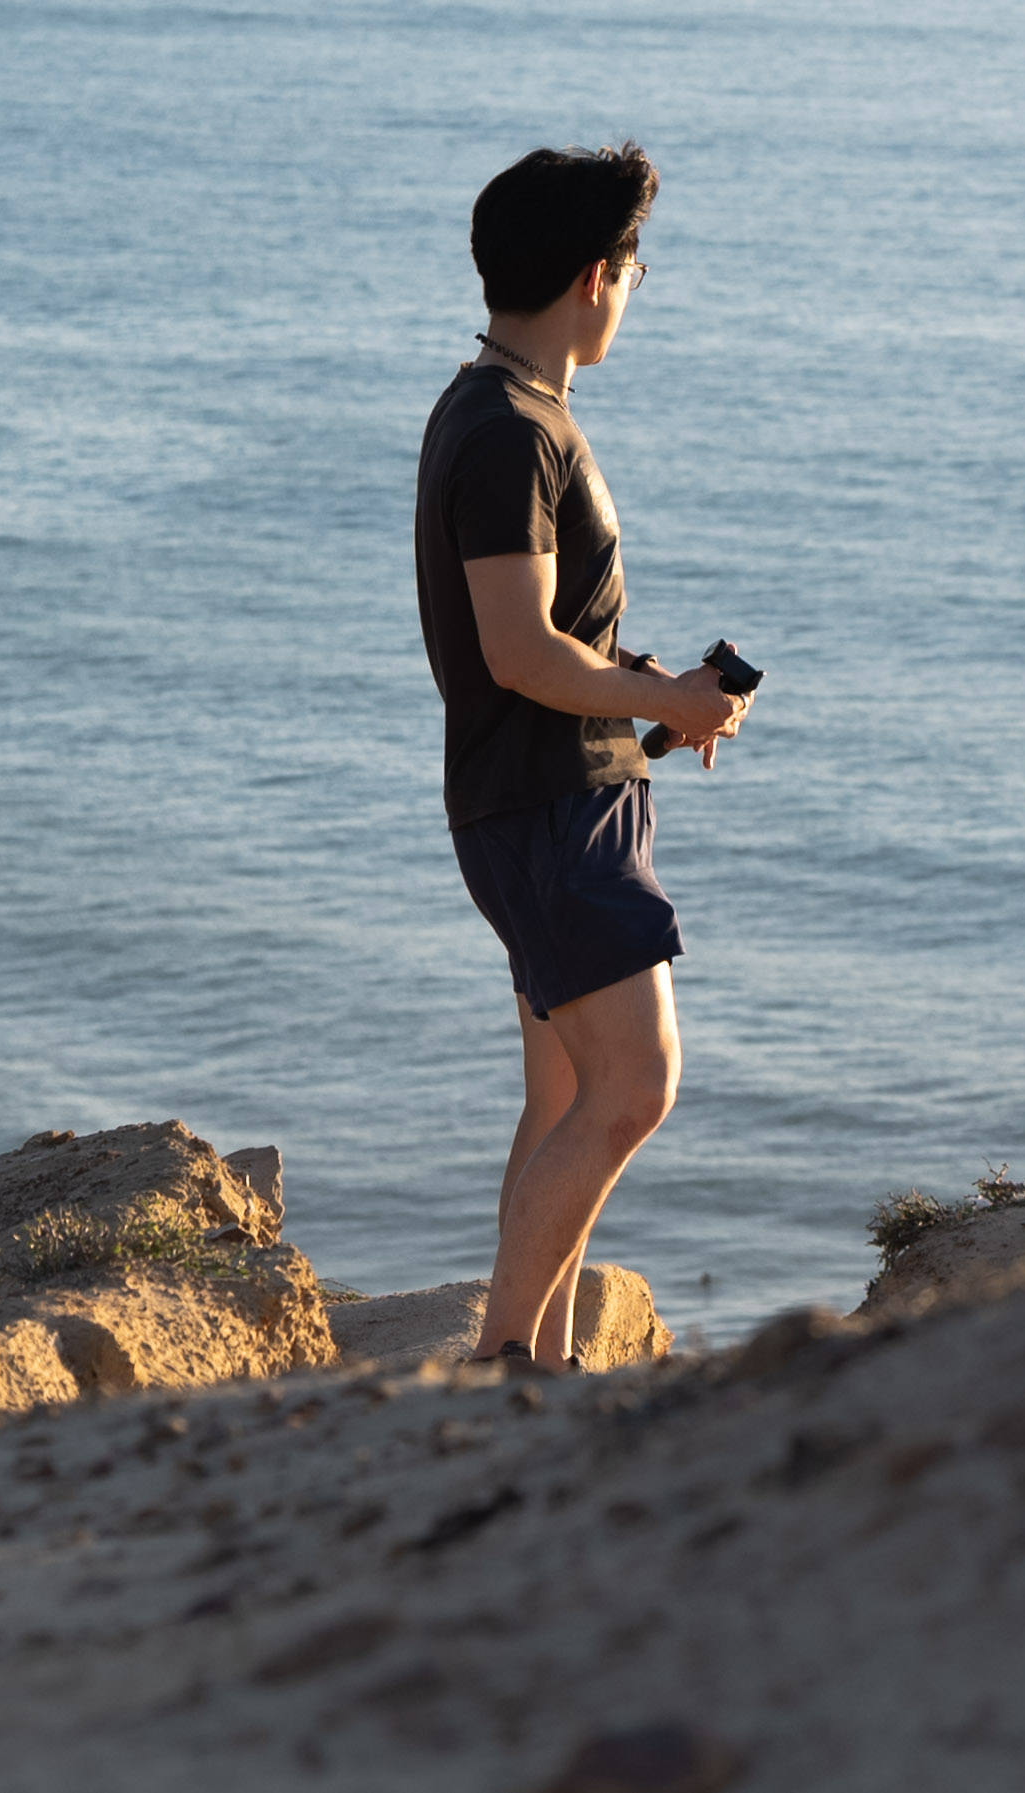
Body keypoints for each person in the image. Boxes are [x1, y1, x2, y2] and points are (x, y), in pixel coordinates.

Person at [416, 144, 753, 1368]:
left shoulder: (501, 409)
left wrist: (665, 702)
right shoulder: (511, 430)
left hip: (544, 794)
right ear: (591, 276)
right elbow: (517, 650)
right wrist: (656, 691)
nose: (635, 283)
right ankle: (503, 1361)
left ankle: (539, 1361)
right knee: (635, 1085)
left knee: (563, 1096)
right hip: (552, 813)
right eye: (634, 264)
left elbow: (557, 650)